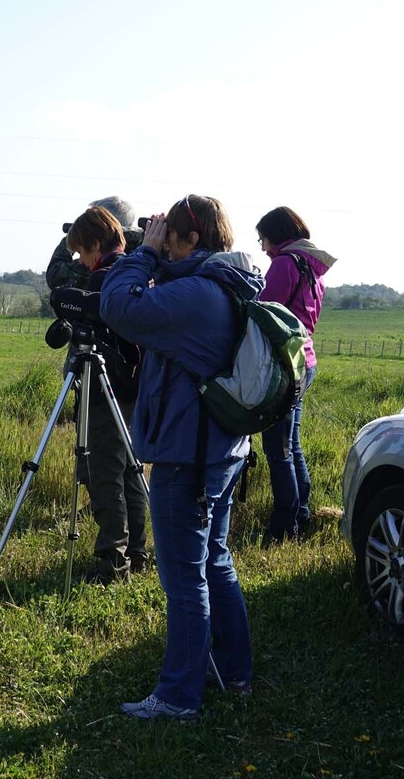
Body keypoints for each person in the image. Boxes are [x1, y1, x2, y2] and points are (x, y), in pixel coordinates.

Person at [101, 194, 260, 720]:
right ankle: (234, 672)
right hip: (221, 449)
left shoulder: (195, 293)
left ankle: (177, 696)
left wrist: (142, 255)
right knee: (214, 561)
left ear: (193, 240)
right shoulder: (225, 284)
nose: (160, 236)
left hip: (187, 455)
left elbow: (118, 306)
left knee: (183, 577)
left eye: (169, 231)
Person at [62, 206, 148, 583]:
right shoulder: (134, 274)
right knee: (131, 468)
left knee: (104, 473)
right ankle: (138, 551)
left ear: (96, 244)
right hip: (135, 387)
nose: (81, 261)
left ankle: (113, 562)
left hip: (104, 387)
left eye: (82, 252)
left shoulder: (103, 282)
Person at [257, 206, 336, 546]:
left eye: (263, 239)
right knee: (292, 445)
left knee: (278, 448)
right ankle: (301, 514)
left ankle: (284, 527)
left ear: (277, 235)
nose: (262, 247)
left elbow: (265, 310)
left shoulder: (285, 264)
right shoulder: (310, 267)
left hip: (285, 365)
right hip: (305, 361)